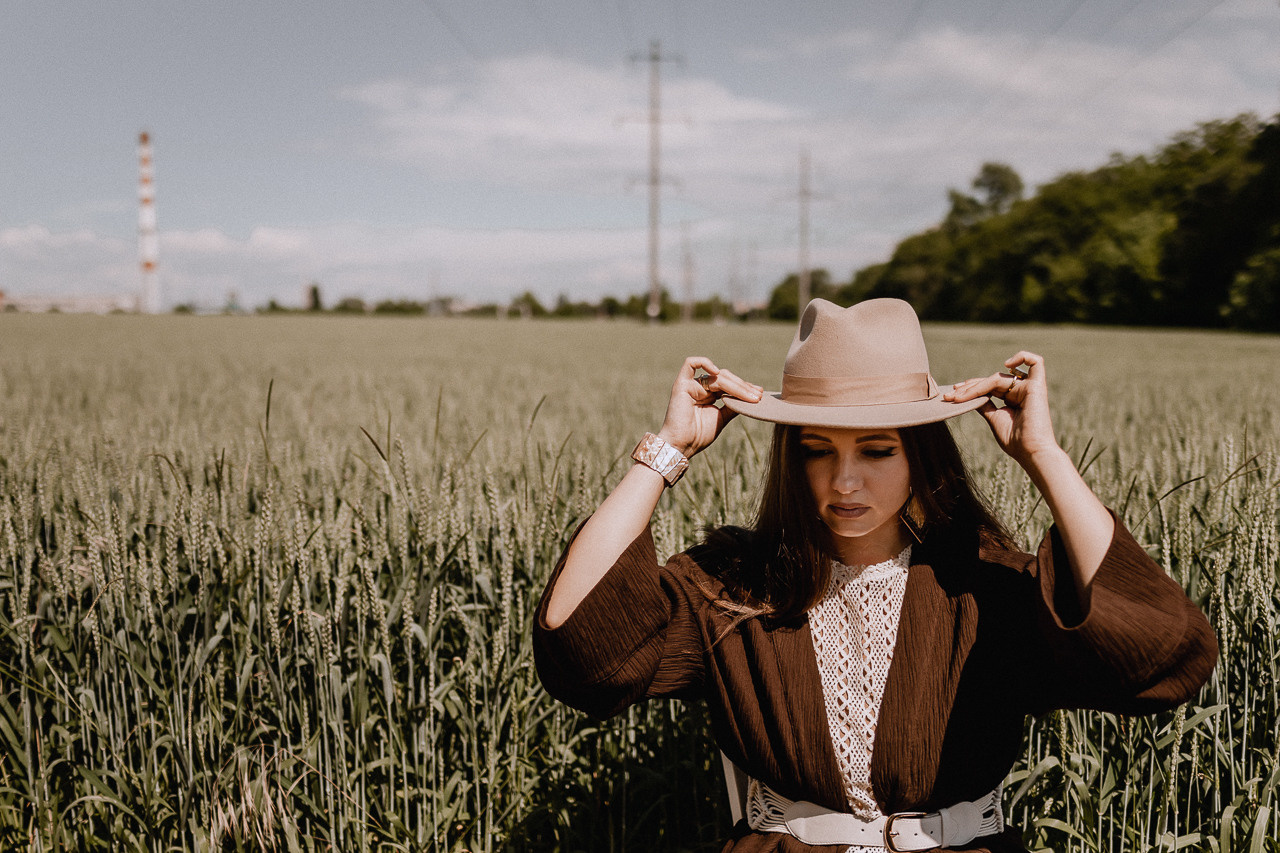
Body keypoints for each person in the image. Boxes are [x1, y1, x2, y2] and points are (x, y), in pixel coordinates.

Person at [533, 298, 1217, 852]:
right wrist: (665, 452)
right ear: (789, 458)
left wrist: (1043, 455)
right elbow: (582, 649)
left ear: (921, 453)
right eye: (816, 450)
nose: (845, 480)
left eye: (878, 448)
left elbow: (1157, 656)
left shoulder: (983, 588)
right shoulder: (736, 587)